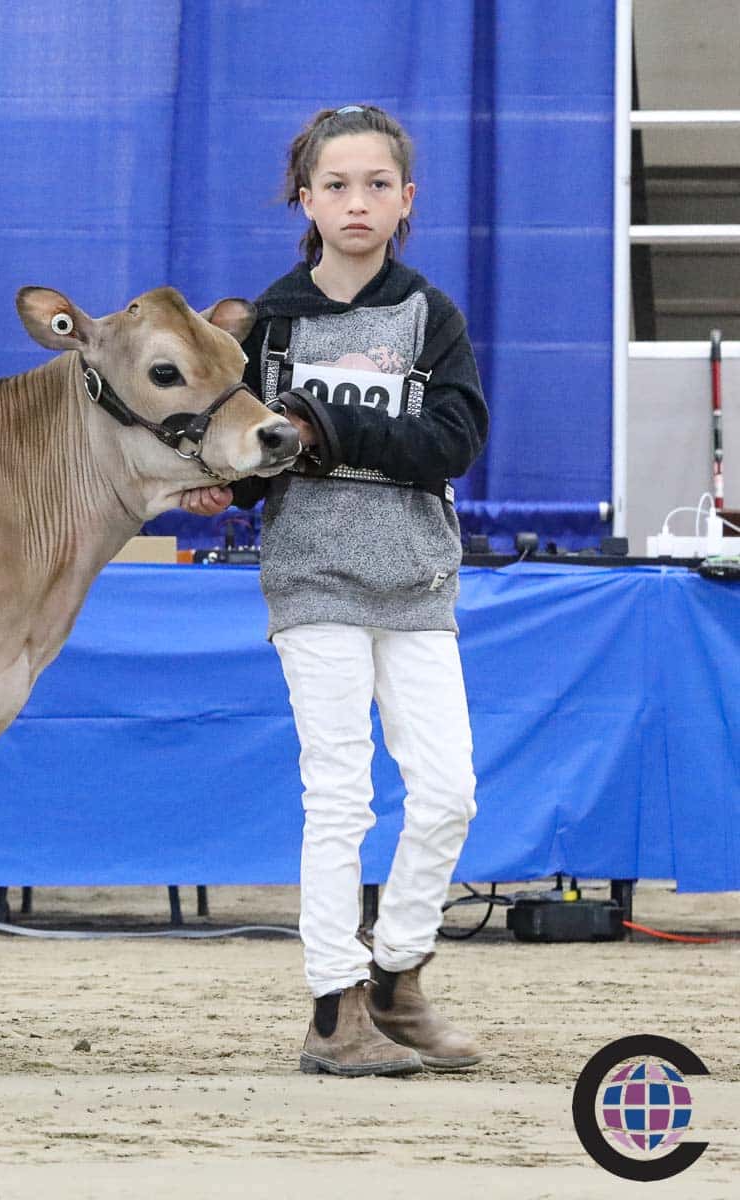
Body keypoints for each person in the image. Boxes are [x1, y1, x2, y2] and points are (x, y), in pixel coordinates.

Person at [182, 105, 489, 1077]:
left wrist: (325, 431)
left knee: (448, 791)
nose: (358, 202)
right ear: (305, 199)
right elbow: (257, 458)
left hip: (417, 577)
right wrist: (224, 478)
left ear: (408, 201)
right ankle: (334, 1011)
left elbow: (455, 441)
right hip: (312, 575)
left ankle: (397, 975)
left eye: (377, 185)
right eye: (337, 185)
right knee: (339, 794)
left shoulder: (430, 315)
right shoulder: (269, 321)